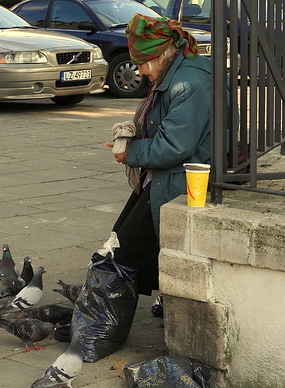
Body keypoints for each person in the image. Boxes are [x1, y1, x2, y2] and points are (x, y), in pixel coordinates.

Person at [110, 13, 212, 296]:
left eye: (141, 64)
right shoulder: (176, 70)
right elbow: (165, 122)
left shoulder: (189, 82)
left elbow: (175, 145)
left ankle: (104, 324)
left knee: (127, 250)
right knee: (121, 237)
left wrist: (131, 152)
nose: (139, 72)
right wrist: (134, 130)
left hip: (183, 176)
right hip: (166, 172)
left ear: (162, 55)